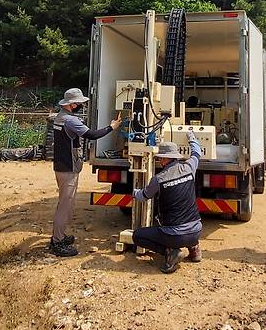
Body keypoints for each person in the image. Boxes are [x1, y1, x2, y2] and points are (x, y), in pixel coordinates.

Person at [51, 88, 121, 256]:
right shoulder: (70, 121)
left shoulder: (59, 117)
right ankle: (57, 242)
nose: (81, 106)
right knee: (65, 206)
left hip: (62, 166)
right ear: (71, 104)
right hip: (68, 168)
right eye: (80, 103)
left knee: (65, 204)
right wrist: (112, 127)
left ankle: (59, 236)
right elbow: (91, 135)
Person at [132, 131, 203, 274]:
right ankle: (194, 248)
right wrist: (191, 138)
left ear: (164, 160)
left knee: (137, 236)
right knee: (186, 222)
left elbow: (144, 196)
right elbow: (197, 153)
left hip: (174, 235)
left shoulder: (158, 179)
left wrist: (134, 192)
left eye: (160, 159)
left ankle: (171, 252)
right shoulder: (189, 167)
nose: (159, 161)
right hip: (196, 230)